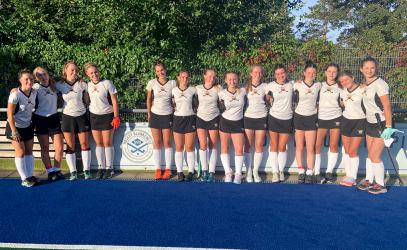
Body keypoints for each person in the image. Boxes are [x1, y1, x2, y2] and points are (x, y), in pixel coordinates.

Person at [358, 57, 401, 194]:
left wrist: (388, 128)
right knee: (370, 154)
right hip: (370, 122)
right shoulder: (365, 84)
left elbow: (387, 106)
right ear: (361, 69)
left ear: (376, 68)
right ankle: (369, 180)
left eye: (372, 67)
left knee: (375, 156)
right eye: (366, 68)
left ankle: (381, 185)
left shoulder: (380, 84)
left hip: (382, 123)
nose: (369, 70)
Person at [56, 61, 91, 180]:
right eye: (72, 70)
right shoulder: (58, 85)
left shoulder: (83, 84)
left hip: (81, 116)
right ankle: (73, 172)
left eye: (76, 70)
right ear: (65, 71)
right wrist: (16, 89)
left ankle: (87, 170)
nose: (74, 72)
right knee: (70, 146)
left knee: (84, 144)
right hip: (67, 117)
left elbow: (88, 101)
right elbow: (41, 87)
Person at [84, 63, 120, 179]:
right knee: (98, 144)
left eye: (96, 72)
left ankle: (110, 168)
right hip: (94, 116)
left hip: (107, 116)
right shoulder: (87, 85)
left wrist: (116, 116)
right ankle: (101, 167)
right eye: (91, 73)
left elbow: (114, 101)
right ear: (87, 75)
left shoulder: (107, 83)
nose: (94, 74)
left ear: (99, 71)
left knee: (107, 143)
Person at [6, 69, 38, 187]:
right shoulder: (15, 94)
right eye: (26, 79)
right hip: (15, 127)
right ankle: (24, 178)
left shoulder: (34, 92)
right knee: (20, 151)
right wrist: (14, 131)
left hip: (28, 126)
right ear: (20, 80)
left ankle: (30, 176)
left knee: (29, 151)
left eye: (31, 78)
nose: (29, 81)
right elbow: (9, 114)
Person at [32, 67, 64, 181]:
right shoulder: (34, 88)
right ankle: (50, 171)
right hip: (40, 119)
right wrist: (15, 89)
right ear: (36, 78)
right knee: (45, 147)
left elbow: (68, 83)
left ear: (48, 74)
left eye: (44, 74)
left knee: (59, 148)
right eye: (39, 75)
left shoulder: (54, 86)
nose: (43, 76)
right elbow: (23, 89)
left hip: (54, 119)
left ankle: (57, 169)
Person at [146, 62, 176, 180]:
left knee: (167, 142)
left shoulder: (173, 83)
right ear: (155, 72)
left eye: (162, 70)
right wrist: (149, 113)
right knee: (157, 142)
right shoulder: (152, 82)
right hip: (155, 115)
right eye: (158, 71)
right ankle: (158, 169)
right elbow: (148, 99)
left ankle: (168, 169)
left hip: (168, 115)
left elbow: (176, 98)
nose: (160, 73)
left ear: (166, 69)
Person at [293, 62, 322, 184]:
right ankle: (301, 171)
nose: (311, 75)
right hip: (299, 117)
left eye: (313, 73)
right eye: (309, 72)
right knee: (299, 146)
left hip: (311, 119)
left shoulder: (319, 85)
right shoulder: (296, 85)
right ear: (304, 73)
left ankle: (309, 172)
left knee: (310, 148)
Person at [315, 64, 342, 183]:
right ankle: (316, 172)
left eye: (334, 72)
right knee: (317, 146)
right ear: (325, 72)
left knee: (334, 145)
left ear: (337, 73)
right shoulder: (319, 85)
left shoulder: (341, 87)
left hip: (336, 118)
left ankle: (329, 172)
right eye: (329, 71)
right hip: (321, 118)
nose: (331, 74)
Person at [266, 64, 294, 183]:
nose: (280, 75)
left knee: (282, 146)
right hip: (274, 118)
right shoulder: (270, 86)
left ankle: (281, 170)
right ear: (274, 75)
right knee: (273, 145)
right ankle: (275, 172)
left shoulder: (292, 84)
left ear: (286, 73)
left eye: (282, 73)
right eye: (277, 74)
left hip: (287, 118)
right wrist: (267, 98)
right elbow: (266, 97)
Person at [338, 70, 366, 187]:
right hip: (346, 121)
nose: (344, 82)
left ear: (353, 77)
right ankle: (348, 174)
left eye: (346, 79)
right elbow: (342, 104)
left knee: (353, 151)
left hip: (359, 121)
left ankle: (353, 178)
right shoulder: (342, 92)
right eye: (342, 81)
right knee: (347, 150)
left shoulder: (362, 89)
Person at [218, 71, 246, 184]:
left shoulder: (244, 91)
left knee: (239, 149)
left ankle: (238, 174)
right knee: (224, 148)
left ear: (237, 79)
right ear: (225, 80)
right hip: (225, 122)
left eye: (234, 79)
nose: (232, 81)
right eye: (229, 79)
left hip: (238, 123)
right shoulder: (221, 92)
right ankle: (228, 173)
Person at [195, 69, 221, 182]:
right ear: (204, 76)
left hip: (214, 118)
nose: (211, 78)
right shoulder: (197, 88)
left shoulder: (218, 88)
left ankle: (211, 172)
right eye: (209, 76)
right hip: (201, 118)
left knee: (213, 145)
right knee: (203, 144)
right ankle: (204, 171)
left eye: (213, 76)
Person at [243, 65, 268, 183]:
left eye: (259, 72)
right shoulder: (244, 88)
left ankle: (255, 171)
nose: (257, 74)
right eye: (255, 72)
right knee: (248, 146)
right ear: (251, 74)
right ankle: (248, 171)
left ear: (262, 74)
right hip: (248, 118)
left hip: (261, 118)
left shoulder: (266, 86)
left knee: (258, 146)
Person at [172, 70, 197, 181]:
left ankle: (191, 171)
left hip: (190, 119)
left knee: (189, 147)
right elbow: (170, 104)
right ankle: (179, 172)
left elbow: (197, 104)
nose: (184, 79)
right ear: (178, 77)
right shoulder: (173, 91)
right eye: (182, 77)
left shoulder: (193, 90)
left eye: (186, 77)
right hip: (178, 119)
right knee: (179, 148)